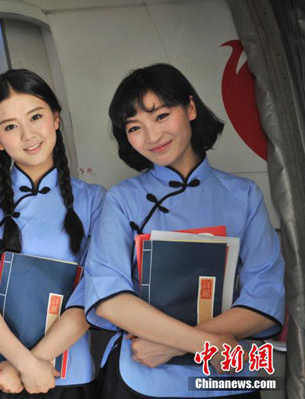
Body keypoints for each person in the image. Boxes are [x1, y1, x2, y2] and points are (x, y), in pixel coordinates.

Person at [84, 63, 285, 398]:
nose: (152, 137)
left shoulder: (244, 195)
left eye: (161, 116)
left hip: (225, 379)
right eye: (135, 127)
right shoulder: (121, 199)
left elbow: (265, 296)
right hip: (143, 375)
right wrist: (205, 344)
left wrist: (172, 345)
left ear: (190, 108)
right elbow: (109, 298)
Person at [0, 69, 105, 398]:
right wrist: (27, 364)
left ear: (56, 119)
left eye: (36, 117)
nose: (28, 134)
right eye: (10, 126)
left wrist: (33, 363)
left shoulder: (95, 201)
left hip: (66, 374)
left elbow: (91, 294)